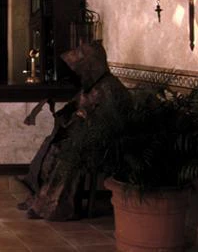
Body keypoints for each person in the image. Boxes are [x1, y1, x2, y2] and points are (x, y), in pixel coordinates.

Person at [17, 41, 129, 221]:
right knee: (52, 143)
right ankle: (39, 197)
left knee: (67, 156)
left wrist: (87, 117)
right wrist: (65, 112)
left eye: (81, 69)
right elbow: (75, 106)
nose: (79, 73)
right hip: (84, 138)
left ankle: (55, 206)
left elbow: (114, 125)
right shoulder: (92, 86)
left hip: (102, 145)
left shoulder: (110, 88)